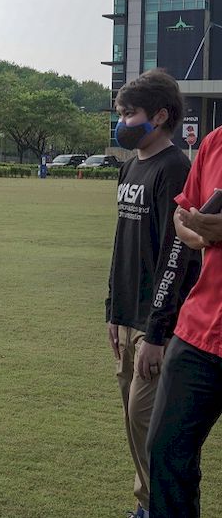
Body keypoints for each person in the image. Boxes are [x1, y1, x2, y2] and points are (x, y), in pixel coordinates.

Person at [105, 69, 200, 518]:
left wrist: (157, 332)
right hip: (127, 315)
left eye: (131, 113)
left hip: (156, 322)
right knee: (131, 416)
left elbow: (176, 255)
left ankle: (155, 506)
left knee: (147, 418)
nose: (122, 121)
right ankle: (146, 502)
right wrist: (113, 310)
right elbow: (123, 241)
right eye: (120, 113)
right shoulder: (131, 165)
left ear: (160, 116)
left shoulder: (176, 168)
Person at [147, 122, 222, 517]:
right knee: (166, 452)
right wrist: (192, 227)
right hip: (199, 332)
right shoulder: (215, 142)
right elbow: (183, 210)